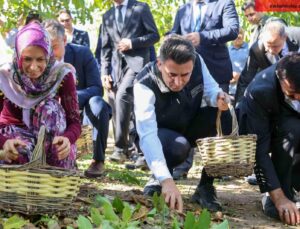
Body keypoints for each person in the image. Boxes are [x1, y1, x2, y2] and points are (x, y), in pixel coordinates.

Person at [134, 35, 232, 212]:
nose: (178, 82)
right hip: (161, 134)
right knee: (177, 146)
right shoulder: (143, 84)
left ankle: (205, 186)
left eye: (185, 75)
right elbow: (147, 135)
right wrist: (166, 180)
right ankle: (160, 177)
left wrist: (219, 97)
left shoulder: (198, 62)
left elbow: (211, 90)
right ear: (159, 64)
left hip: (188, 121)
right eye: (172, 75)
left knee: (224, 114)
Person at [169, 0, 239, 179]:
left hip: (216, 68)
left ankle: (218, 168)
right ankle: (182, 165)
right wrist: (171, 38)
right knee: (186, 115)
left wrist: (203, 37)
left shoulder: (224, 4)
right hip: (186, 73)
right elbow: (175, 32)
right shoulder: (183, 9)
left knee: (219, 115)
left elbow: (232, 30)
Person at [0, 22, 81, 168]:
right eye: (27, 59)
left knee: (49, 108)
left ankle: (52, 173)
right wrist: (3, 141)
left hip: (50, 139)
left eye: (40, 59)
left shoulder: (61, 75)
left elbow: (75, 121)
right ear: (18, 55)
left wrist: (67, 139)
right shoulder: (5, 76)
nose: (33, 67)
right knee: (18, 153)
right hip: (15, 137)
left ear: (48, 56)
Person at [238, 53, 300, 226]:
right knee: (292, 131)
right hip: (266, 130)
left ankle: (294, 184)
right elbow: (260, 152)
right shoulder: (261, 91)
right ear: (280, 80)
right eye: (293, 94)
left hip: (290, 120)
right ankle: (276, 196)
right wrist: (279, 198)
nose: (299, 99)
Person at [43, 19, 111, 177]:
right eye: (46, 48)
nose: (50, 54)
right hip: (48, 112)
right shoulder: (38, 61)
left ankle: (98, 160)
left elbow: (97, 88)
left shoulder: (83, 53)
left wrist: (71, 98)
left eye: (54, 47)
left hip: (81, 106)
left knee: (99, 105)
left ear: (64, 40)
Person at [101, 0, 160, 162]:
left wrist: (132, 43)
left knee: (122, 96)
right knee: (126, 107)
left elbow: (154, 35)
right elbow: (105, 47)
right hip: (116, 69)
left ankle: (120, 148)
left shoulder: (141, 8)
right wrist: (105, 72)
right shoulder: (107, 16)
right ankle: (140, 152)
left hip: (137, 65)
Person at [235, 21, 300, 105]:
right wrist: (239, 105)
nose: (271, 50)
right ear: (262, 38)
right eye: (268, 45)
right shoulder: (257, 49)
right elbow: (246, 79)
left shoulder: (297, 36)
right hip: (280, 97)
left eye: (275, 46)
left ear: (285, 37)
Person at [228, 28, 249, 99]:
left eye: (240, 33)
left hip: (245, 89)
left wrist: (240, 76)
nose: (238, 36)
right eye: (236, 34)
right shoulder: (227, 51)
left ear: (243, 35)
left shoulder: (250, 49)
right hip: (230, 90)